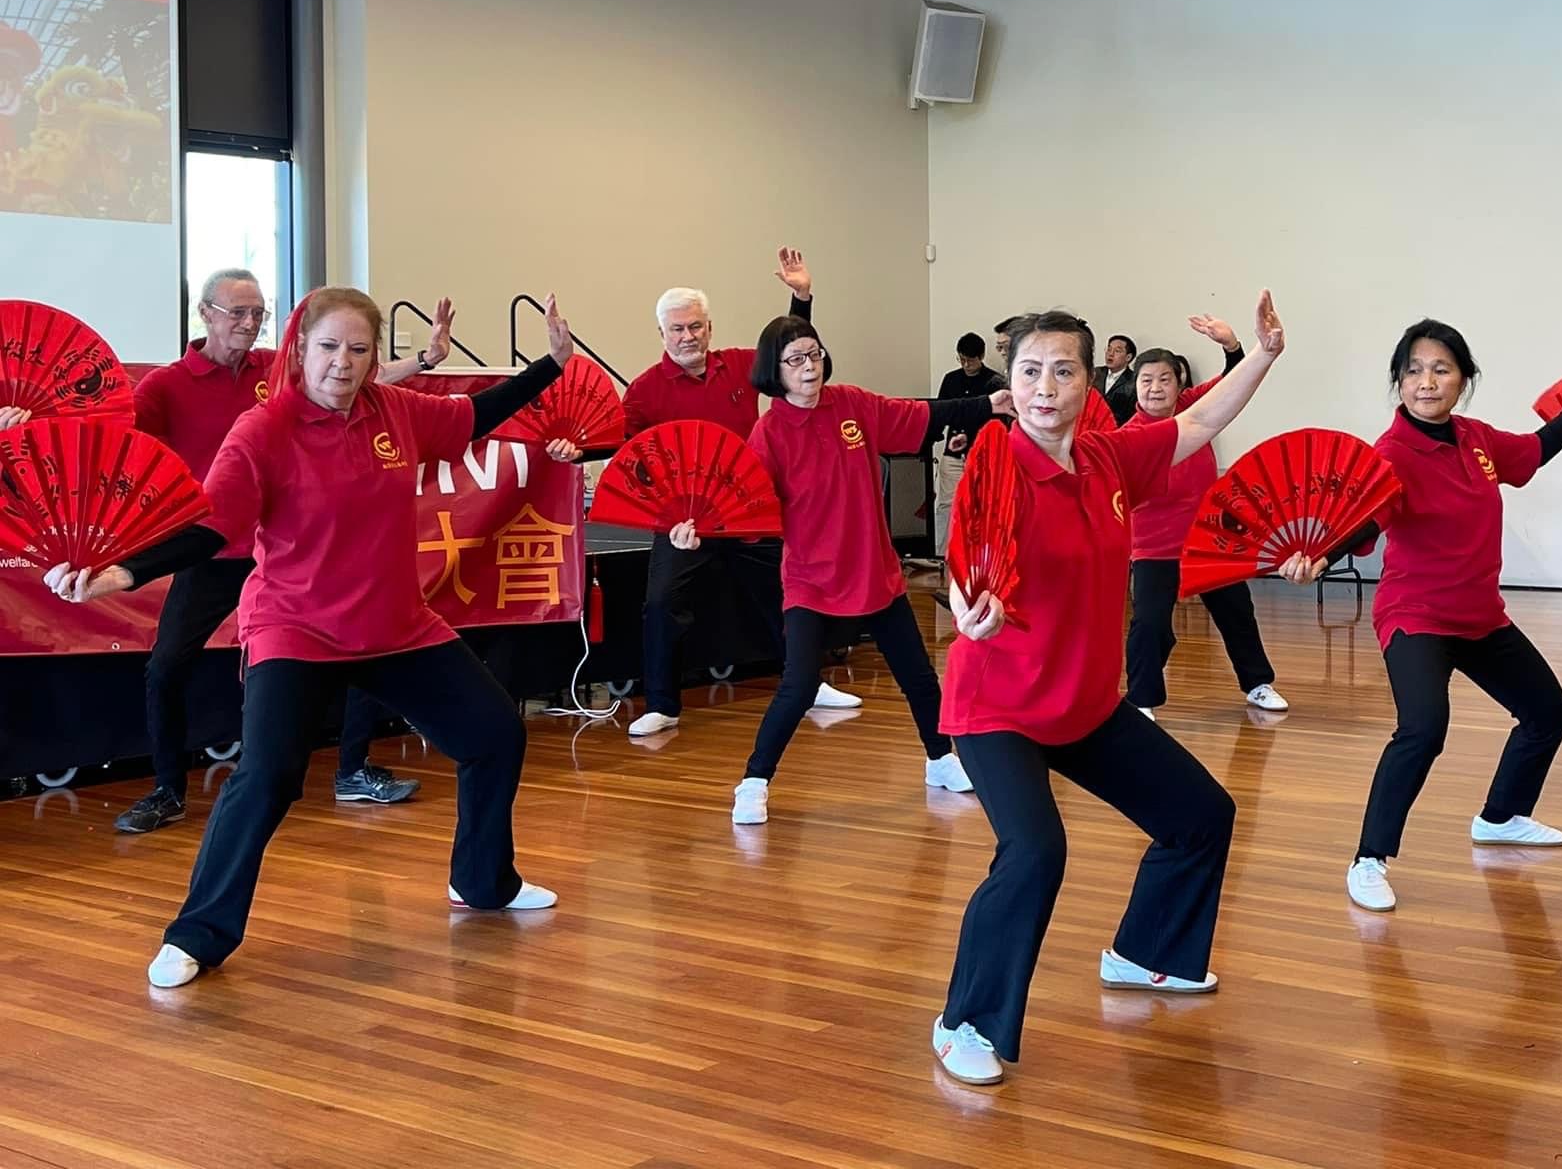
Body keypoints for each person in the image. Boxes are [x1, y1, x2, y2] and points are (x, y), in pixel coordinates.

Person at [44, 287, 580, 989]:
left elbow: (475, 415)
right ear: (300, 348)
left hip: (394, 623)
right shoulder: (263, 429)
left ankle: (483, 882)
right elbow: (212, 524)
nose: (343, 363)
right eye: (329, 347)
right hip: (296, 627)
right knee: (268, 778)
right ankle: (196, 935)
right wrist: (122, 573)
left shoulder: (397, 411)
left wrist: (552, 365)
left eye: (358, 349)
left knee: (495, 734)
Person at [931, 293, 1284, 1087]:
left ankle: (1144, 954)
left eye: (1063, 371)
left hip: (1085, 705)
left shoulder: (1108, 460)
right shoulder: (998, 464)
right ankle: (964, 1021)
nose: (1044, 387)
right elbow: (969, 553)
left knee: (1201, 816)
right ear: (1012, 382)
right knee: (1034, 852)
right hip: (999, 708)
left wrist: (1261, 355)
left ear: (1090, 383)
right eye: (1030, 371)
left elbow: (1198, 422)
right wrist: (971, 607)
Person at [1281, 321, 1562, 915]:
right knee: (1424, 729)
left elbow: (1534, 450)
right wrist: (1320, 557)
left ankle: (1501, 817)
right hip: (1417, 615)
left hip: (1480, 615)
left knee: (1548, 714)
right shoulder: (1391, 453)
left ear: (1463, 379)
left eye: (1440, 369)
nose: (1426, 382)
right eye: (1413, 371)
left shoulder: (1475, 438)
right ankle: (1368, 859)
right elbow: (1368, 518)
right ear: (1399, 381)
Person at [684, 316, 1009, 824]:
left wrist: (988, 403)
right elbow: (742, 505)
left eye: (814, 354)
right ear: (776, 369)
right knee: (798, 687)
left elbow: (921, 413)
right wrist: (699, 530)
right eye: (796, 359)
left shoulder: (853, 404)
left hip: (874, 572)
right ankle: (753, 781)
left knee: (920, 678)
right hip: (810, 580)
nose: (809, 367)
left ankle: (940, 759)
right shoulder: (769, 433)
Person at [620, 249, 858, 737]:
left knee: (790, 591)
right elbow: (627, 455)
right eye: (677, 329)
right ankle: (662, 704)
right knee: (661, 602)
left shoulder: (739, 367)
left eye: (696, 326)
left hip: (746, 509)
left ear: (709, 328)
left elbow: (790, 356)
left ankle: (810, 685)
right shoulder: (643, 390)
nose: (687, 336)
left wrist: (801, 298)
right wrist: (575, 452)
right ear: (661, 334)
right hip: (683, 521)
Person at [1120, 315, 1288, 718]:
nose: (1155, 388)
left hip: (1209, 540)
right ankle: (1141, 699)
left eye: (1164, 379)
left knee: (1237, 613)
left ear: (1179, 384)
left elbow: (1235, 382)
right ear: (1135, 386)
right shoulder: (1127, 436)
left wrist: (1231, 346)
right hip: (1154, 547)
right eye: (1147, 380)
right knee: (1150, 624)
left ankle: (1258, 683)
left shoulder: (1193, 408)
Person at [933, 332, 1004, 559]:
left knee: (982, 507)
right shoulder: (951, 379)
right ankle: (942, 556)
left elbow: (998, 423)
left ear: (981, 356)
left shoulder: (995, 382)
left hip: (982, 456)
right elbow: (940, 413)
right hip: (953, 454)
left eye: (970, 360)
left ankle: (979, 559)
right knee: (947, 505)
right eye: (961, 359)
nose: (965, 365)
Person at [1093, 334, 1139, 425]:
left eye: (1117, 351)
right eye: (1109, 349)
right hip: (1091, 426)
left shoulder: (1134, 381)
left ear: (1128, 357)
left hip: (1117, 428)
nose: (1110, 354)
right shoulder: (1095, 373)